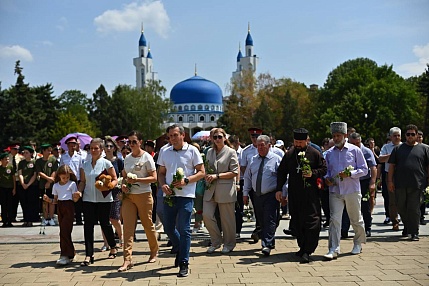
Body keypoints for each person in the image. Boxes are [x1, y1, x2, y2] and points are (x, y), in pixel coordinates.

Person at [158, 124, 205, 277]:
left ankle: (184, 262)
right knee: (169, 229)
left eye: (175, 135)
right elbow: (161, 173)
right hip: (170, 196)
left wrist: (187, 180)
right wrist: (163, 184)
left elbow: (201, 172)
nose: (172, 139)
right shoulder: (165, 151)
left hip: (186, 196)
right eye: (170, 136)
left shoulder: (192, 150)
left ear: (182, 135)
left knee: (184, 230)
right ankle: (179, 248)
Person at [276, 128, 327, 263]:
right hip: (295, 194)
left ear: (306, 140)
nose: (298, 145)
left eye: (300, 142)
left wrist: (312, 174)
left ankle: (308, 250)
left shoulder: (315, 153)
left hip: (311, 195)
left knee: (312, 222)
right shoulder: (290, 154)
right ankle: (302, 246)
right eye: (296, 142)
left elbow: (323, 169)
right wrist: (279, 189)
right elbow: (281, 172)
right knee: (298, 222)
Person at [324, 122, 368, 260]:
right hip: (335, 191)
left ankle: (358, 242)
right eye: (334, 136)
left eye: (338, 135)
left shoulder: (355, 150)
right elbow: (326, 171)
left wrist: (350, 174)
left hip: (351, 190)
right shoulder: (329, 153)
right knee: (334, 219)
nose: (336, 138)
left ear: (345, 135)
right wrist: (327, 178)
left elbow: (364, 169)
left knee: (356, 218)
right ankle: (333, 248)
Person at [118, 131, 159, 272]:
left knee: (148, 225)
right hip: (129, 196)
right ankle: (127, 260)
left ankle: (154, 251)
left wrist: (138, 180)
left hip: (144, 194)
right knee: (128, 228)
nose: (131, 144)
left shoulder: (147, 157)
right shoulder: (127, 158)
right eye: (129, 142)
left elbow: (154, 178)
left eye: (134, 141)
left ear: (140, 142)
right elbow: (124, 176)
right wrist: (123, 185)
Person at [77, 138, 118, 266]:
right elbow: (83, 181)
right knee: (88, 225)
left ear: (101, 149)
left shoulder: (106, 163)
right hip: (88, 198)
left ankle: (112, 246)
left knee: (105, 224)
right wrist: (79, 192)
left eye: (96, 148)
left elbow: (115, 179)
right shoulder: (85, 164)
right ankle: (89, 254)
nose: (93, 150)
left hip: (104, 199)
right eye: (91, 148)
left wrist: (110, 185)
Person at [387, 124, 429, 241]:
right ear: (405, 135)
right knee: (401, 207)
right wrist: (390, 181)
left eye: (413, 134)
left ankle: (414, 232)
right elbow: (391, 166)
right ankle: (407, 226)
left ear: (417, 135)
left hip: (417, 184)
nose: (410, 136)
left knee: (414, 208)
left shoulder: (424, 149)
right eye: (408, 134)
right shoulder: (398, 149)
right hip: (400, 183)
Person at [243, 135, 282, 256]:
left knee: (269, 219)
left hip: (271, 194)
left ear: (269, 145)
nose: (259, 148)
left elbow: (283, 178)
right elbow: (248, 178)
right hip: (257, 195)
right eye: (258, 145)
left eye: (262, 145)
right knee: (261, 220)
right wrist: (245, 193)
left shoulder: (276, 159)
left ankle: (266, 245)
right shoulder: (253, 160)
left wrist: (283, 193)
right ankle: (270, 240)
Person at [203, 128, 239, 254]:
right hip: (210, 189)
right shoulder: (209, 152)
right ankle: (216, 241)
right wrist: (207, 175)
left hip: (226, 188)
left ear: (225, 138)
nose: (217, 139)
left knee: (227, 219)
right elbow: (207, 168)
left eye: (219, 137)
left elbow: (235, 171)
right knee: (206, 215)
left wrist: (217, 176)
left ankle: (229, 243)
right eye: (215, 137)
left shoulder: (231, 152)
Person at [44, 165, 80, 265]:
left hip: (69, 207)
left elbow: (74, 199)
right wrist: (49, 200)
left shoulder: (72, 184)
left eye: (67, 177)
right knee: (64, 231)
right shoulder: (56, 186)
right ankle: (70, 253)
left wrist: (77, 196)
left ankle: (64, 254)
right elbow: (55, 200)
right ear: (59, 176)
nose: (65, 180)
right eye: (63, 177)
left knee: (64, 231)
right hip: (60, 207)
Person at [343, 133, 377, 237]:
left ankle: (367, 228)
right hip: (350, 182)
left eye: (357, 143)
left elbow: (373, 167)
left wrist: (372, 182)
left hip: (363, 181)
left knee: (364, 205)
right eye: (353, 143)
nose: (355, 145)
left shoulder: (366, 151)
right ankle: (344, 229)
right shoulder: (346, 151)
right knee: (347, 206)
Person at [240, 127, 263, 242]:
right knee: (257, 208)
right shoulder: (246, 151)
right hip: (253, 184)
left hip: (267, 183)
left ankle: (261, 230)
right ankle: (259, 229)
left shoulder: (269, 149)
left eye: (256, 136)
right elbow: (243, 167)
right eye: (252, 137)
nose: (254, 139)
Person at [379, 127, 402, 230]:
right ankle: (394, 221)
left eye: (398, 135)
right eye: (395, 136)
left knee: (404, 199)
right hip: (390, 175)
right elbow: (381, 159)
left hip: (403, 175)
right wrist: (392, 155)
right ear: (390, 137)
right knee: (392, 200)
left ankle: (406, 220)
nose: (397, 137)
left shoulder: (405, 146)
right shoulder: (386, 147)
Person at [103, 136, 124, 247]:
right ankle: (106, 243)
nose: (109, 148)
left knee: (115, 217)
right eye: (107, 146)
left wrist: (121, 184)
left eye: (111, 146)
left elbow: (123, 175)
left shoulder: (119, 161)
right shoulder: (101, 161)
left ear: (114, 148)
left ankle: (121, 238)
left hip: (115, 190)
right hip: (103, 191)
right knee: (104, 218)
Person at [59, 136, 84, 225]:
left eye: (74, 144)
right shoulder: (63, 156)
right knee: (68, 199)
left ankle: (78, 218)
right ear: (67, 146)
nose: (72, 146)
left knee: (77, 199)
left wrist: (82, 181)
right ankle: (69, 217)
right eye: (70, 144)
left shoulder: (79, 157)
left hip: (76, 180)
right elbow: (61, 168)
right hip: (66, 180)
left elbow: (81, 169)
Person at [35, 144, 58, 226]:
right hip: (42, 184)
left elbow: (55, 171)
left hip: (52, 184)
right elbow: (39, 172)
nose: (49, 152)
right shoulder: (39, 161)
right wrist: (47, 179)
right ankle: (45, 218)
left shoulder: (53, 159)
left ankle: (51, 218)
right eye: (48, 150)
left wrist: (50, 181)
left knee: (51, 201)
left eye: (50, 150)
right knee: (44, 201)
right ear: (43, 151)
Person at [18, 146, 39, 227]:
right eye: (24, 153)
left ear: (31, 153)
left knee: (31, 203)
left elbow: (34, 175)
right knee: (24, 203)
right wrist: (23, 183)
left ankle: (30, 220)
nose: (25, 154)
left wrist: (28, 184)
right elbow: (20, 174)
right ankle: (25, 219)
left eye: (27, 153)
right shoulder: (21, 163)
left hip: (32, 185)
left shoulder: (34, 162)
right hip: (22, 185)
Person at [0, 153, 16, 227]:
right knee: (3, 205)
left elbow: (13, 178)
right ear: (2, 160)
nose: (7, 161)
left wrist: (14, 188)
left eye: (8, 159)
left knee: (10, 205)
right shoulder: (0, 168)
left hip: (10, 188)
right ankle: (4, 221)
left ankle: (10, 220)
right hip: (2, 188)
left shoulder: (10, 167)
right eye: (5, 159)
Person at [416, 130, 428, 225]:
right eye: (418, 137)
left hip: (423, 176)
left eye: (421, 137)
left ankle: (421, 216)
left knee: (422, 198)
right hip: (414, 177)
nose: (419, 139)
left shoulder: (426, 148)